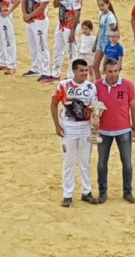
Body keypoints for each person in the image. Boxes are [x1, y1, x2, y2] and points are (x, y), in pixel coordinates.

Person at [50, 59, 99, 207]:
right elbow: (53, 103)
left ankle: (86, 192)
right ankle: (67, 194)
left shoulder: (91, 87)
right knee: (69, 161)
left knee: (85, 161)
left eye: (86, 71)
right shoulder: (64, 85)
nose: (84, 73)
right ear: (74, 71)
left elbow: (95, 108)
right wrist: (57, 126)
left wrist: (96, 122)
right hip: (68, 128)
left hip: (85, 127)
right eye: (81, 71)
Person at [95, 58, 135, 204]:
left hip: (124, 130)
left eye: (115, 71)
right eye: (110, 72)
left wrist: (134, 129)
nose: (113, 75)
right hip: (103, 131)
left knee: (127, 162)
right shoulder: (97, 86)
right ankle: (102, 191)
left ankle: (128, 191)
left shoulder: (127, 85)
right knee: (102, 163)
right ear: (104, 71)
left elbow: (133, 107)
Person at [44, 0, 82, 84]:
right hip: (61, 25)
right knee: (57, 49)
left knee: (71, 52)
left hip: (70, 26)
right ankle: (55, 74)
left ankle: (72, 76)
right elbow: (55, 5)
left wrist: (72, 32)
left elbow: (77, 14)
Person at [21, 0, 52, 82]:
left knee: (42, 45)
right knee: (32, 44)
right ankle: (35, 68)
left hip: (40, 21)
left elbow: (42, 7)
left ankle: (46, 71)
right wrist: (25, 14)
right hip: (30, 20)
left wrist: (29, 15)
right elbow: (24, 0)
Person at [92, 0, 117, 80]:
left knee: (106, 68)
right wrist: (95, 43)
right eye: (99, 6)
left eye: (102, 5)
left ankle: (109, 85)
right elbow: (100, 30)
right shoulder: (100, 15)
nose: (101, 7)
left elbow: (114, 31)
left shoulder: (110, 17)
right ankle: (99, 84)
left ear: (108, 4)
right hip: (100, 41)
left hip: (107, 43)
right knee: (95, 65)